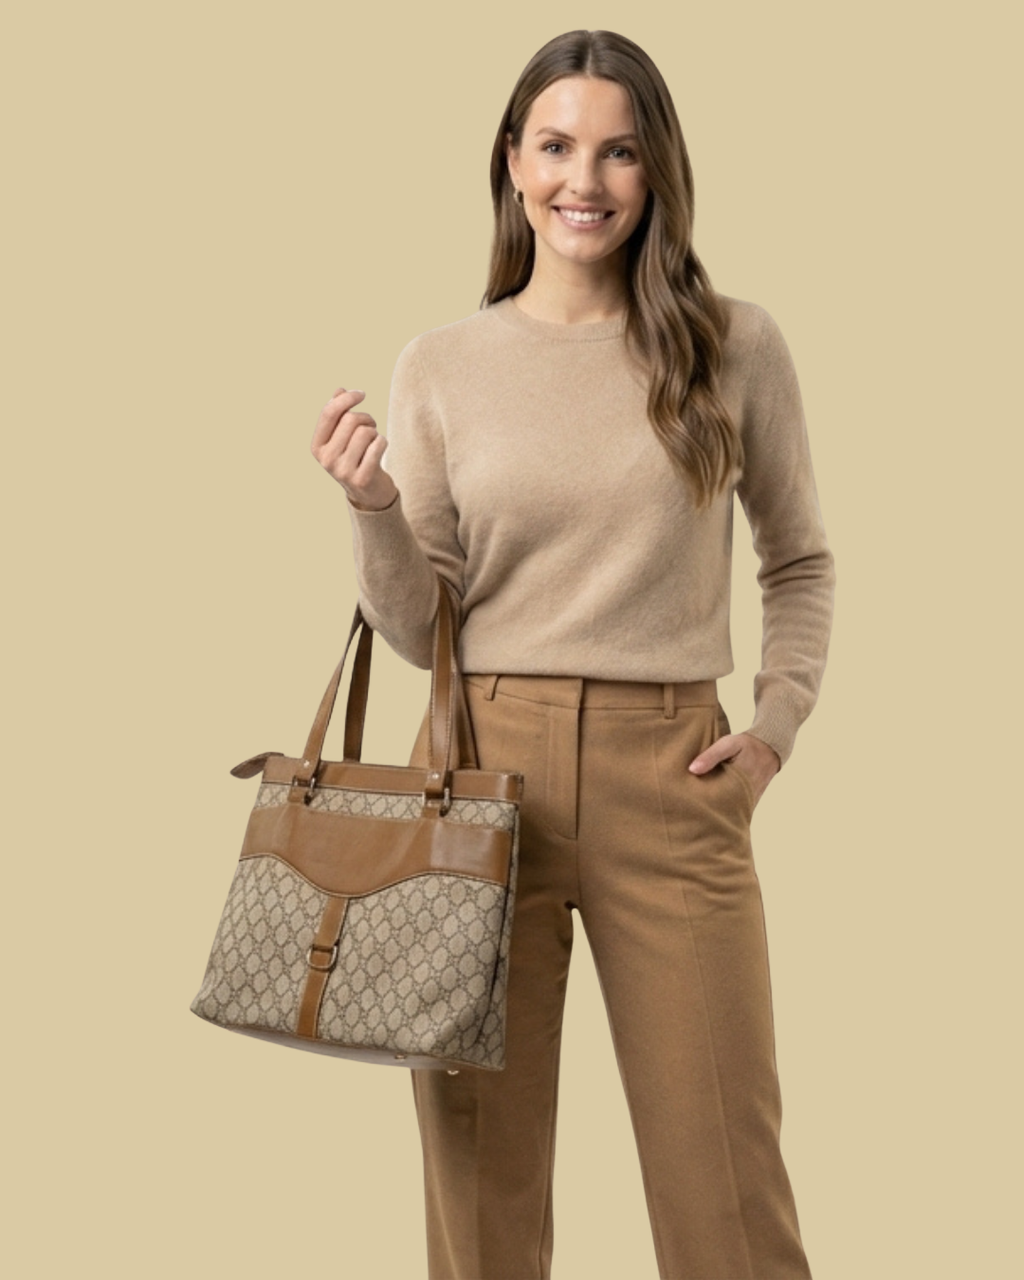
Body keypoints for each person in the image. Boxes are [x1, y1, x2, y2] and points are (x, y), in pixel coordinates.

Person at [310, 28, 834, 1280]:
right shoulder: (442, 362)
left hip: (679, 772)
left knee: (727, 1182)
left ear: (655, 175)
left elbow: (800, 561)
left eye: (617, 151)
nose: (581, 179)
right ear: (511, 161)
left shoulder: (731, 344)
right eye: (554, 145)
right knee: (479, 1185)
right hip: (479, 775)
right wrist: (372, 507)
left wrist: (773, 725)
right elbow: (415, 621)